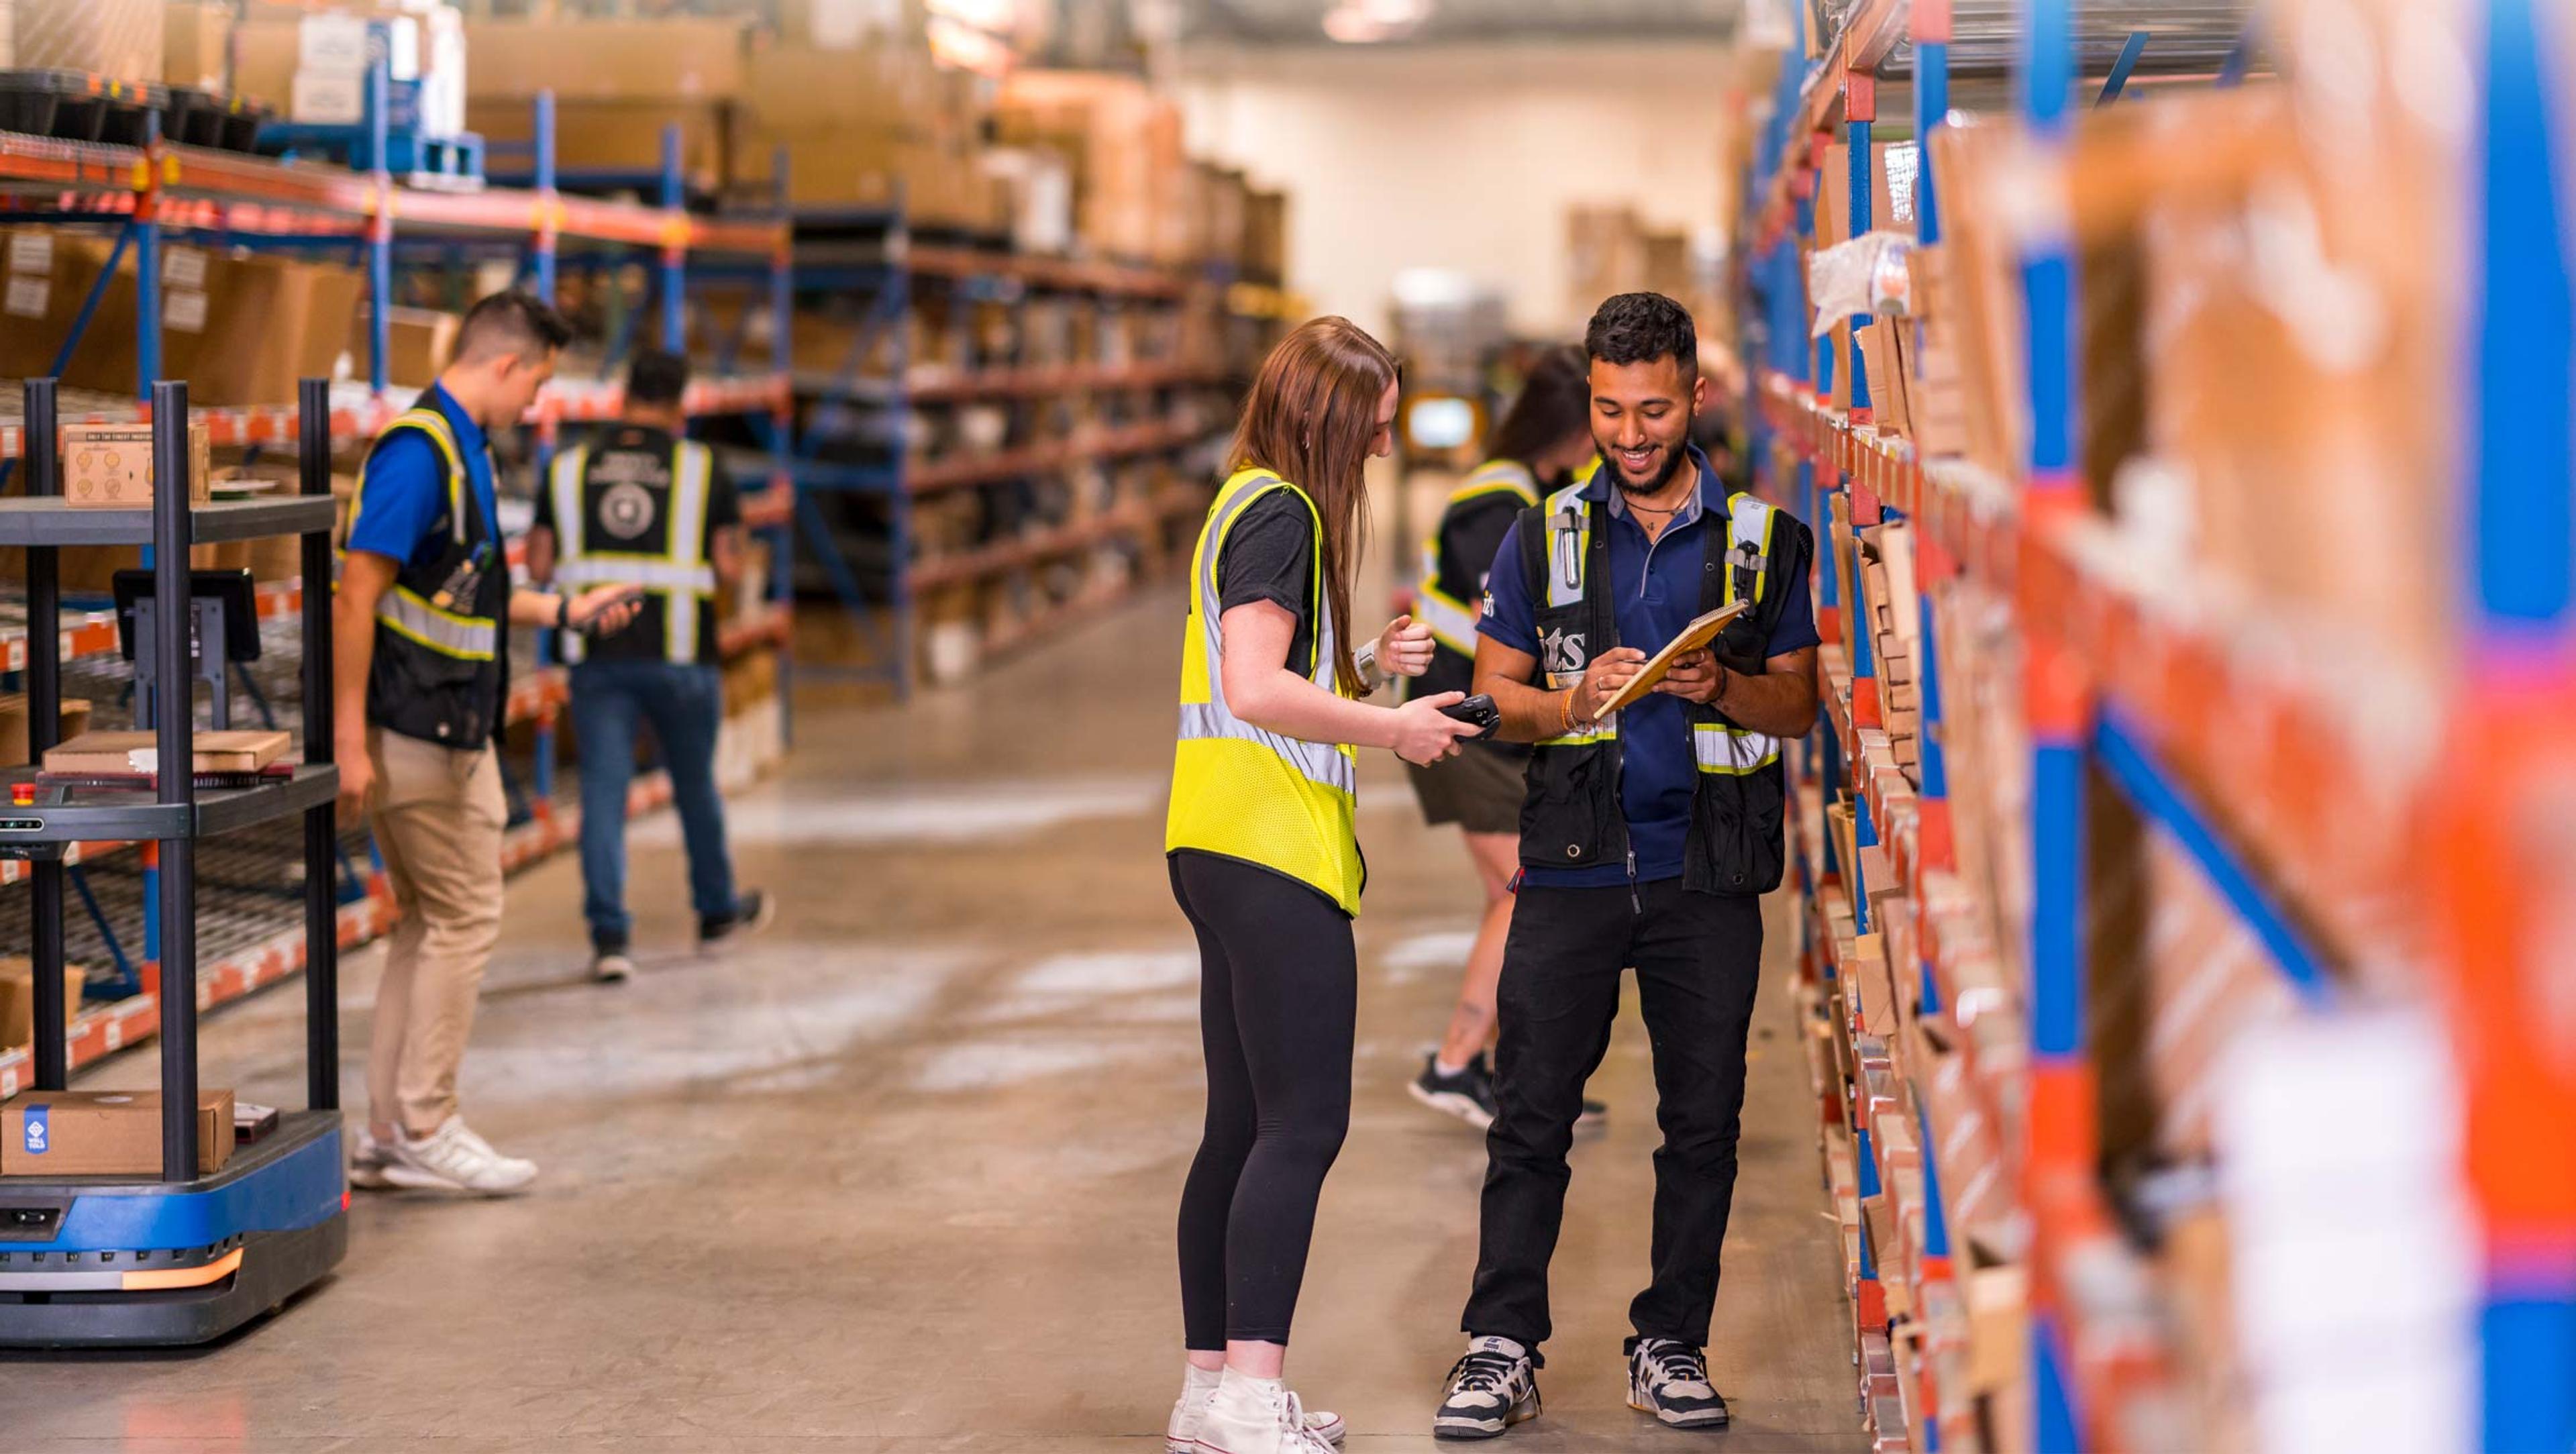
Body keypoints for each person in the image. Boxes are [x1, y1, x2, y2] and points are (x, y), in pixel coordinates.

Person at [1430, 293, 1821, 1437]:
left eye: (1651, 409)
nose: (1629, 433)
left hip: (1705, 871)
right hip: (1572, 864)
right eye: (1608, 410)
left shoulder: (1760, 542)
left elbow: (1797, 705)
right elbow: (1490, 696)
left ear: (1693, 396)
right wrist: (1566, 698)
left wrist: (1723, 685)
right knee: (1529, 1118)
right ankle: (1499, 1344)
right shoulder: (1539, 535)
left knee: (1700, 1121)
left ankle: (1670, 1343)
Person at [1164, 316, 1483, 1454]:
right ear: (1332, 420)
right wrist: (1389, 727)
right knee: (1303, 1123)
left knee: (1239, 1124)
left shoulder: (1238, 496)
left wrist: (1355, 672)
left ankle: (1208, 1392)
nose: (1384, 449)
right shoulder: (1282, 510)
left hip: (1210, 838)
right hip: (1270, 850)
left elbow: (1261, 669)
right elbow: (1252, 688)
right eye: (1378, 426)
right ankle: (1252, 1398)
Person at [334, 290, 643, 1197]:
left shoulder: (462, 448)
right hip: (416, 728)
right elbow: (358, 594)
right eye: (539, 381)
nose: (538, 402)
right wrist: (350, 739)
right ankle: (427, 1120)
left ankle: (391, 1129)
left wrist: (559, 609)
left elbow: (458, 591)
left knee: (427, 921)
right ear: (505, 363)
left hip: (444, 722)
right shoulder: (418, 453)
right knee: (464, 917)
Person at [526, 349, 774, 984]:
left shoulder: (568, 468)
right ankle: (716, 912)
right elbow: (728, 566)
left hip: (598, 656)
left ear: (623, 395)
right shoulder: (703, 468)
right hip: (682, 654)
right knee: (695, 785)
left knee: (605, 793)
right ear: (679, 403)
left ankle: (610, 938)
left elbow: (540, 566)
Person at [1400, 347, 1598, 1129]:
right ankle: (1453, 1064)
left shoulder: (1536, 489)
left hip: (1481, 726)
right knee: (1525, 891)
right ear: (1566, 423)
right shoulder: (1494, 505)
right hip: (1462, 727)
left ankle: (1510, 1078)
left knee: (1513, 896)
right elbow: (1525, 614)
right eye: (1601, 418)